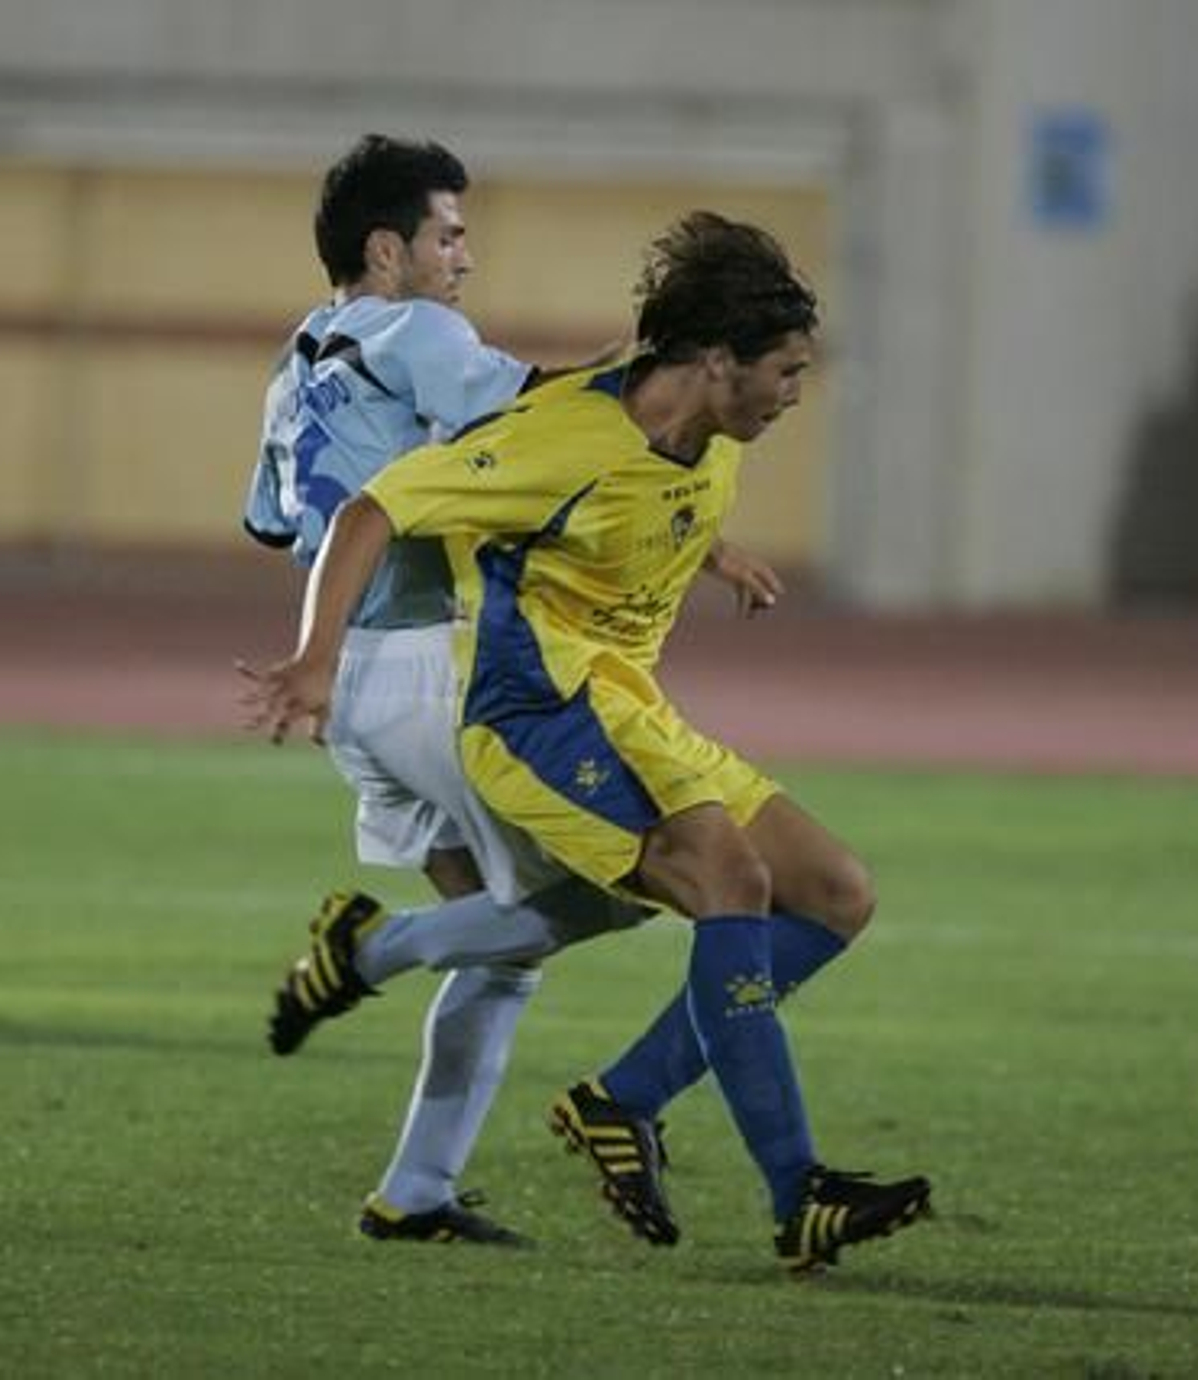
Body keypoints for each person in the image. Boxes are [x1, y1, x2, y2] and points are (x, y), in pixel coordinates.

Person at [242, 210, 934, 1273]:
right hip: (533, 712)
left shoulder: (706, 437)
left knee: (836, 892)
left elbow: (644, 504)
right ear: (714, 361)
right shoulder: (558, 437)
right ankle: (799, 1191)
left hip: (628, 707)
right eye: (785, 370)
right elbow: (373, 511)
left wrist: (719, 557)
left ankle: (623, 1097)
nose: (798, 391)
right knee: (725, 883)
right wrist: (316, 658)